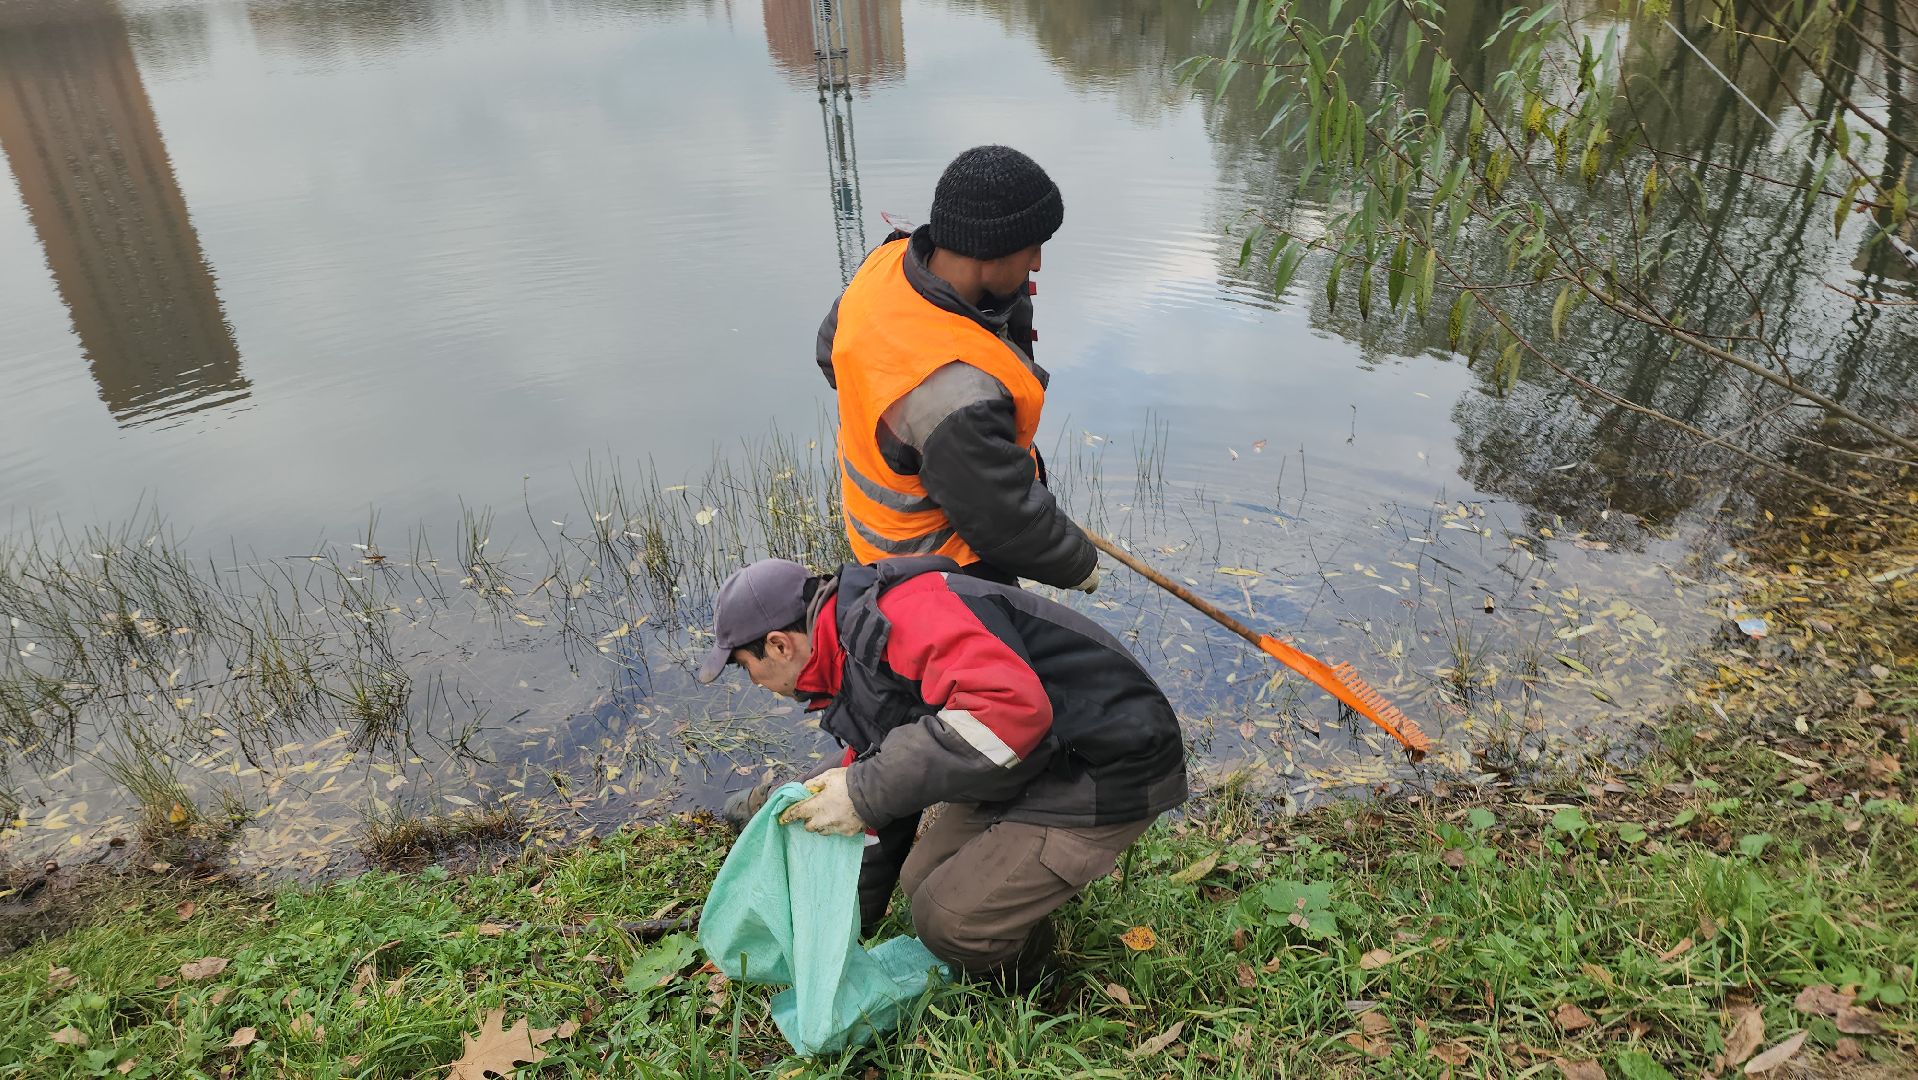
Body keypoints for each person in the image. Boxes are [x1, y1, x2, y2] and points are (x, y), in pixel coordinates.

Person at [697, 555, 1187, 989]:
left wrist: (863, 790)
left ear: (779, 645)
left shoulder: (907, 615)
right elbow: (884, 794)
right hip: (1038, 756)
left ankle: (1040, 981)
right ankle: (1014, 905)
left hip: (1108, 761)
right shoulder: (849, 657)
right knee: (918, 881)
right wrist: (851, 933)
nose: (755, 684)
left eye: (743, 667)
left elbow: (1013, 711)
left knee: (948, 921)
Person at [816, 145, 1099, 592]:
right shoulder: (955, 392)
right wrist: (1079, 565)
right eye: (1032, 249)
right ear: (989, 253)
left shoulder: (883, 268)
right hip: (943, 573)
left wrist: (906, 442)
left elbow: (830, 351)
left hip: (874, 540)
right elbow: (1004, 523)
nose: (1038, 263)